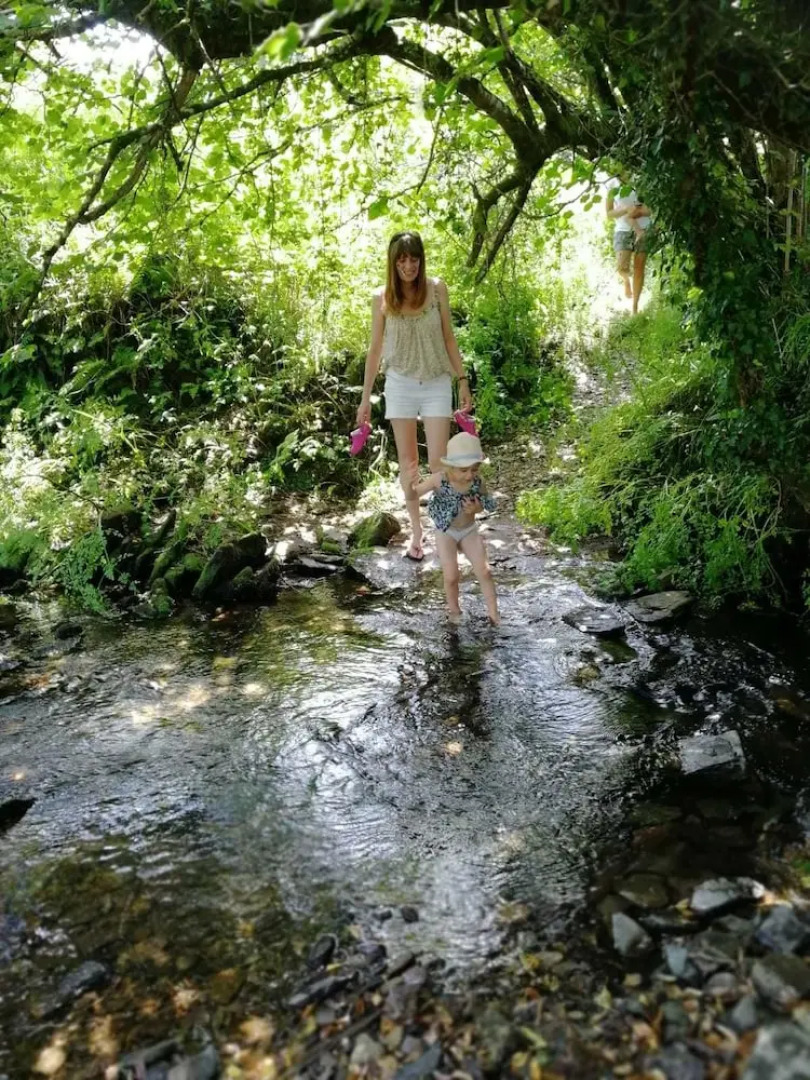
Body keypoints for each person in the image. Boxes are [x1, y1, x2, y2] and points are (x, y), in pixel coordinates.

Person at [356, 231, 472, 562]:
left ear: (421, 260)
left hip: (436, 381)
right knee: (408, 465)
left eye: (414, 258)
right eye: (402, 260)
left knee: (439, 464)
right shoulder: (382, 298)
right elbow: (375, 349)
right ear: (393, 263)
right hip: (400, 384)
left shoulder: (437, 289)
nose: (409, 266)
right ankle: (417, 534)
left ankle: (444, 531)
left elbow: (448, 338)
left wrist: (462, 380)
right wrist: (365, 398)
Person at [411, 432, 499, 625]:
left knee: (484, 571)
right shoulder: (439, 480)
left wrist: (477, 508)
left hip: (468, 530)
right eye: (464, 470)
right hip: (446, 532)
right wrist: (410, 485)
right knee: (451, 575)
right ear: (450, 467)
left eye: (474, 469)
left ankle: (494, 615)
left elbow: (488, 502)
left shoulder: (477, 482)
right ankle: (454, 610)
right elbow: (415, 494)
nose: (469, 475)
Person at [606, 183, 651, 314]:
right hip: (622, 230)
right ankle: (626, 280)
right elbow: (609, 213)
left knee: (639, 268)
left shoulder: (640, 179)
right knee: (621, 268)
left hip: (644, 229)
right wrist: (625, 209)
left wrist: (639, 212)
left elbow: (653, 207)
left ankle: (635, 307)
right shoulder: (612, 185)